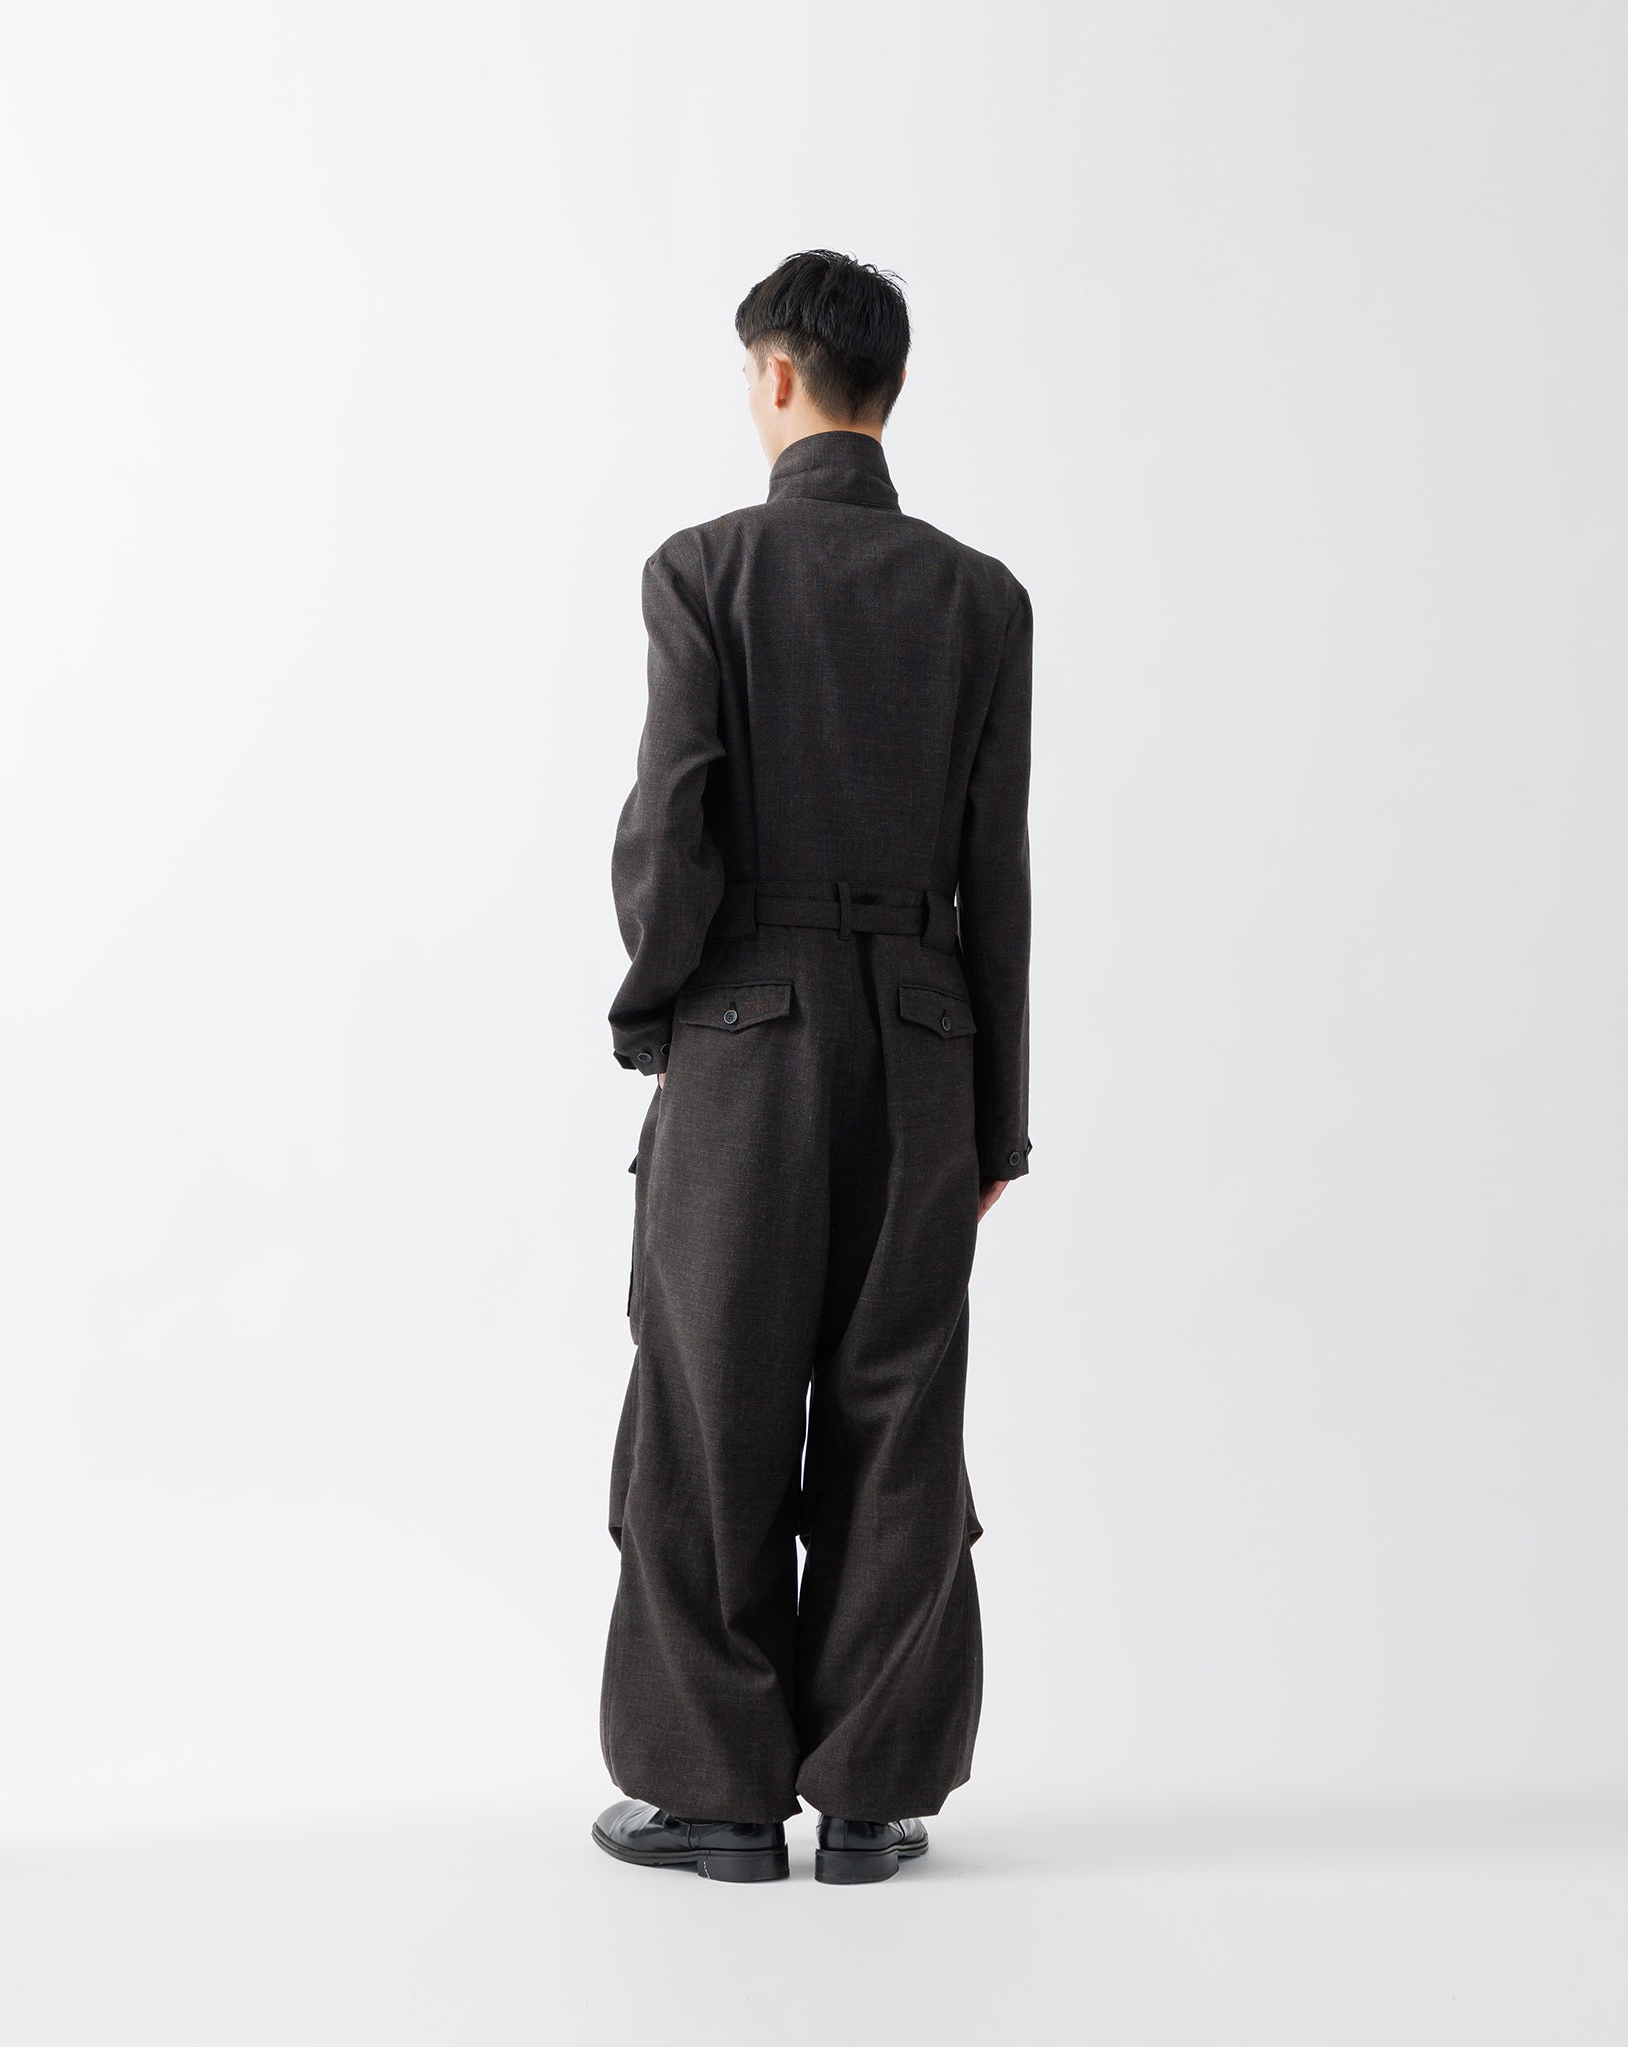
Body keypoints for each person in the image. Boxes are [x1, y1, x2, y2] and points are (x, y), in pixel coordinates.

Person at [593, 250, 1033, 1886]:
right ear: (886, 386)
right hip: (924, 1047)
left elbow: (672, 820)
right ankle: (867, 1799)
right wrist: (997, 1119)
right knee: (895, 1412)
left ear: (775, 376)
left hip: (744, 1042)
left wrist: (655, 1006)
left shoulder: (703, 569)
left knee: (709, 1405)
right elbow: (997, 875)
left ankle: (715, 1799)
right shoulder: (982, 598)